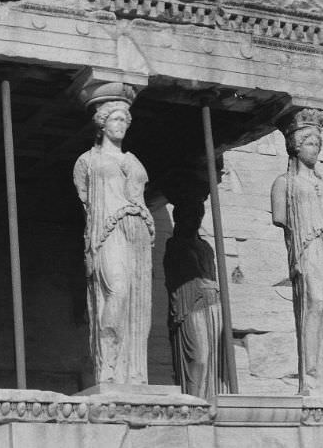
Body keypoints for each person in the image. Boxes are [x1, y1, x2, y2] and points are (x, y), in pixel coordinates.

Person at [73, 98, 154, 384]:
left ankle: (132, 372)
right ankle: (108, 363)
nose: (121, 125)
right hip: (107, 229)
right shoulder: (87, 161)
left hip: (138, 230)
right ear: (102, 123)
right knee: (116, 291)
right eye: (116, 119)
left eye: (125, 121)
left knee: (136, 301)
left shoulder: (133, 160)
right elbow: (86, 199)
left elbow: (138, 195)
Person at [271, 108, 323, 394]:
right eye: (311, 144)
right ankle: (309, 376)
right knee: (315, 301)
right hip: (306, 246)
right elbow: (281, 218)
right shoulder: (283, 184)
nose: (315, 149)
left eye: (318, 144)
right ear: (296, 146)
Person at [164, 197, 228, 400]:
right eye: (190, 215)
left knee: (213, 359)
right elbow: (179, 278)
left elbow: (212, 275)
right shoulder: (174, 245)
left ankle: (210, 402)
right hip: (190, 307)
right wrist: (204, 287)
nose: (195, 220)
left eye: (198, 215)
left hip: (212, 305)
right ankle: (195, 401)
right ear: (179, 217)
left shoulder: (206, 247)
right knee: (199, 357)